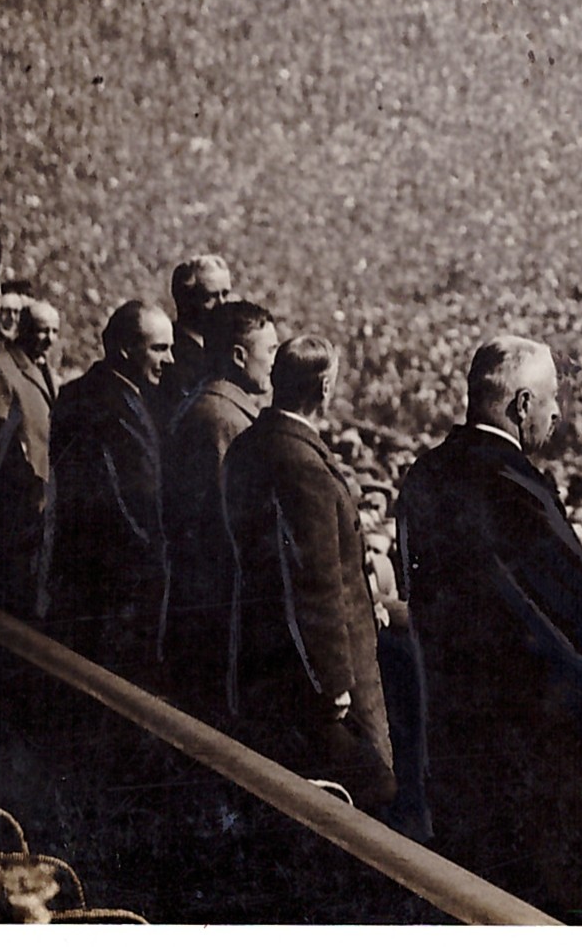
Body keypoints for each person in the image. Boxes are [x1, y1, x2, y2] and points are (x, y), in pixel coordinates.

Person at [397, 335, 582, 919]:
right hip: (533, 737)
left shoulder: (425, 474)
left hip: (452, 723)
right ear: (521, 404)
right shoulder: (512, 484)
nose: (559, 414)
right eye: (552, 401)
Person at [223, 336, 393, 809]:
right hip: (323, 667)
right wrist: (333, 680)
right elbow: (313, 579)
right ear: (323, 387)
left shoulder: (248, 445)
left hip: (268, 653)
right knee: (370, 792)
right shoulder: (300, 460)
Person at [40, 301, 175, 678]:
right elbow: (112, 505)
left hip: (117, 586)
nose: (169, 360)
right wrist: (153, 562)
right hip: (109, 588)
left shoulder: (128, 395)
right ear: (124, 349)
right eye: (159, 349)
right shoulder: (94, 402)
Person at [162, 300, 276, 717]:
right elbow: (222, 528)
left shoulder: (220, 410)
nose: (275, 363)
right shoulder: (221, 420)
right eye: (271, 351)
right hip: (216, 607)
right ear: (239, 356)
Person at [0, 299, 60, 617]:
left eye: (55, 331)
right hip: (17, 502)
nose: (50, 339)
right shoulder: (1, 370)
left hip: (43, 500)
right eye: (42, 331)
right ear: (23, 329)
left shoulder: (47, 369)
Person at [158, 253, 234, 428]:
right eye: (210, 297)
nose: (222, 305)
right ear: (185, 301)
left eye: (226, 294)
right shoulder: (171, 354)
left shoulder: (221, 349)